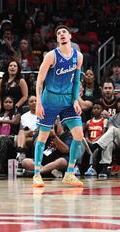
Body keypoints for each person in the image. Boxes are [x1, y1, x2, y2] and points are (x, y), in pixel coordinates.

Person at [32, 25, 85, 188]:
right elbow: (40, 81)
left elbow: (76, 81)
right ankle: (36, 174)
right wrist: (39, 103)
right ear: (57, 39)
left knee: (78, 136)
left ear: (70, 36)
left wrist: (76, 100)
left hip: (68, 100)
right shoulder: (51, 56)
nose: (62, 35)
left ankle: (69, 173)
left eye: (64, 32)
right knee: (42, 136)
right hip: (50, 100)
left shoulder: (78, 56)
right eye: (59, 33)